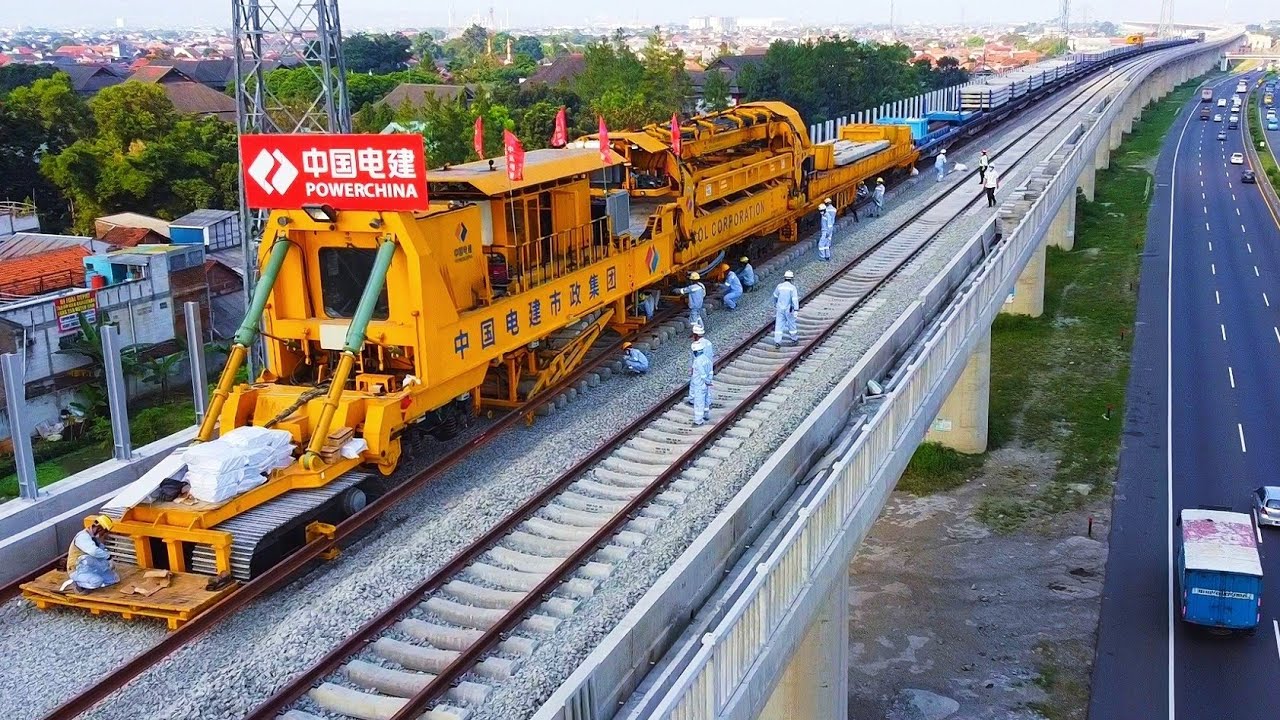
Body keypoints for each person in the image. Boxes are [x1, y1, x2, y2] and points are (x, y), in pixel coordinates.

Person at [60, 515, 120, 593]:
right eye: (104, 532)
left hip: (91, 568)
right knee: (97, 581)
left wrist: (109, 563)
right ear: (99, 528)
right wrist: (108, 557)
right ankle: (78, 584)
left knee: (114, 579)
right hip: (77, 569)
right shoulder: (82, 537)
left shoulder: (93, 539)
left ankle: (92, 579)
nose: (104, 535)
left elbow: (102, 550)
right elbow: (93, 551)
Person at [689, 336, 714, 426]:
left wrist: (706, 381)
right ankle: (706, 415)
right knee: (706, 400)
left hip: (700, 384)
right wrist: (709, 381)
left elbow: (702, 374)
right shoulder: (707, 359)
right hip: (707, 384)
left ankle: (698, 421)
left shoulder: (698, 361)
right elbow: (711, 371)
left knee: (699, 402)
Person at [773, 270, 800, 349]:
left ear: (784, 278)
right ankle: (794, 339)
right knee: (791, 324)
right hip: (789, 309)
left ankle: (777, 342)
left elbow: (775, 296)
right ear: (791, 279)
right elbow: (794, 299)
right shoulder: (792, 288)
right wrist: (796, 310)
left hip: (780, 309)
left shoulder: (779, 286)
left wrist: (775, 304)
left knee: (779, 325)